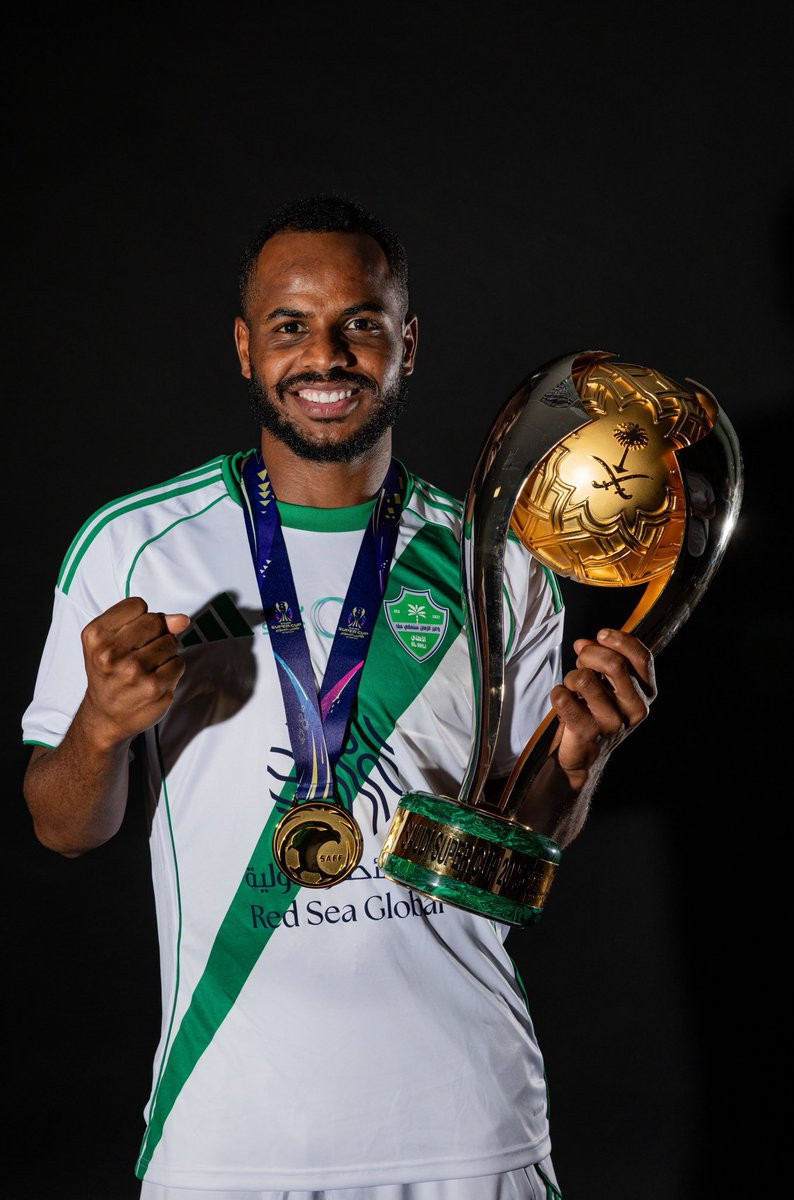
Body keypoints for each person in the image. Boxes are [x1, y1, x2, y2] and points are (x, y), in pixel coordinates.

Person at [22, 195, 656, 1200]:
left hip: (468, 1128)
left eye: (360, 323)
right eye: (290, 326)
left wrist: (577, 762)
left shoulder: (499, 565)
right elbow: (63, 829)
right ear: (244, 347)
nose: (325, 356)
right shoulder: (136, 548)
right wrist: (100, 728)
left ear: (408, 343)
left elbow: (511, 850)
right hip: (227, 1134)